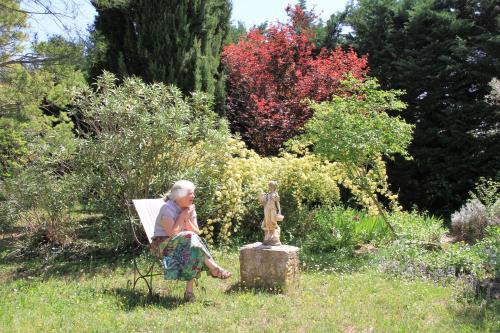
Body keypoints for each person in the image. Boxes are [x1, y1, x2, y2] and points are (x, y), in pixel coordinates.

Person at [152, 180, 231, 302]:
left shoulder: (190, 208)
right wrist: (183, 215)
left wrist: (187, 218)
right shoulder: (167, 208)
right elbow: (172, 234)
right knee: (191, 239)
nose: (193, 196)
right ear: (179, 195)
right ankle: (214, 268)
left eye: (193, 193)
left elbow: (196, 232)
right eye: (190, 194)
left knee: (193, 245)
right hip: (163, 246)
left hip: (184, 244)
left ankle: (189, 293)